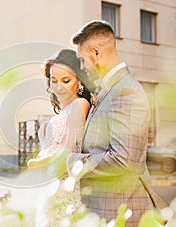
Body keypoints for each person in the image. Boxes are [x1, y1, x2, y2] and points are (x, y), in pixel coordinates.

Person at [68, 20, 168, 226]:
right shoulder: (111, 89)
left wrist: (69, 161)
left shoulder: (125, 91)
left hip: (121, 211)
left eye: (81, 60)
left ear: (96, 53)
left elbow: (123, 161)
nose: (81, 67)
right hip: (108, 209)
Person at [27, 49, 93, 226]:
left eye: (66, 80)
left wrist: (34, 164)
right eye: (53, 80)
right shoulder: (64, 111)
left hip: (64, 189)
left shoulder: (80, 104)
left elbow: (66, 154)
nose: (58, 87)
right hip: (49, 187)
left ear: (79, 80)